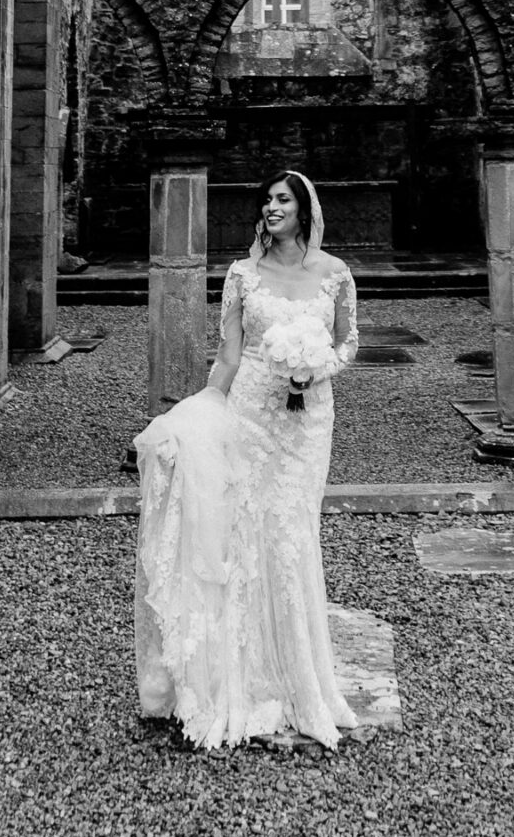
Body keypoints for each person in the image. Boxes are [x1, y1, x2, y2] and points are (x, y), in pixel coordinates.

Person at [133, 166, 361, 749]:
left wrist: (315, 366)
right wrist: (201, 409)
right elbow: (229, 354)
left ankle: (304, 677)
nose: (271, 208)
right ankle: (249, 673)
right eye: (266, 201)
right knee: (248, 529)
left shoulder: (335, 273)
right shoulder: (242, 274)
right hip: (252, 412)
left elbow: (348, 342)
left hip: (309, 419)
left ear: (304, 207)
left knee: (292, 530)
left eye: (282, 200)